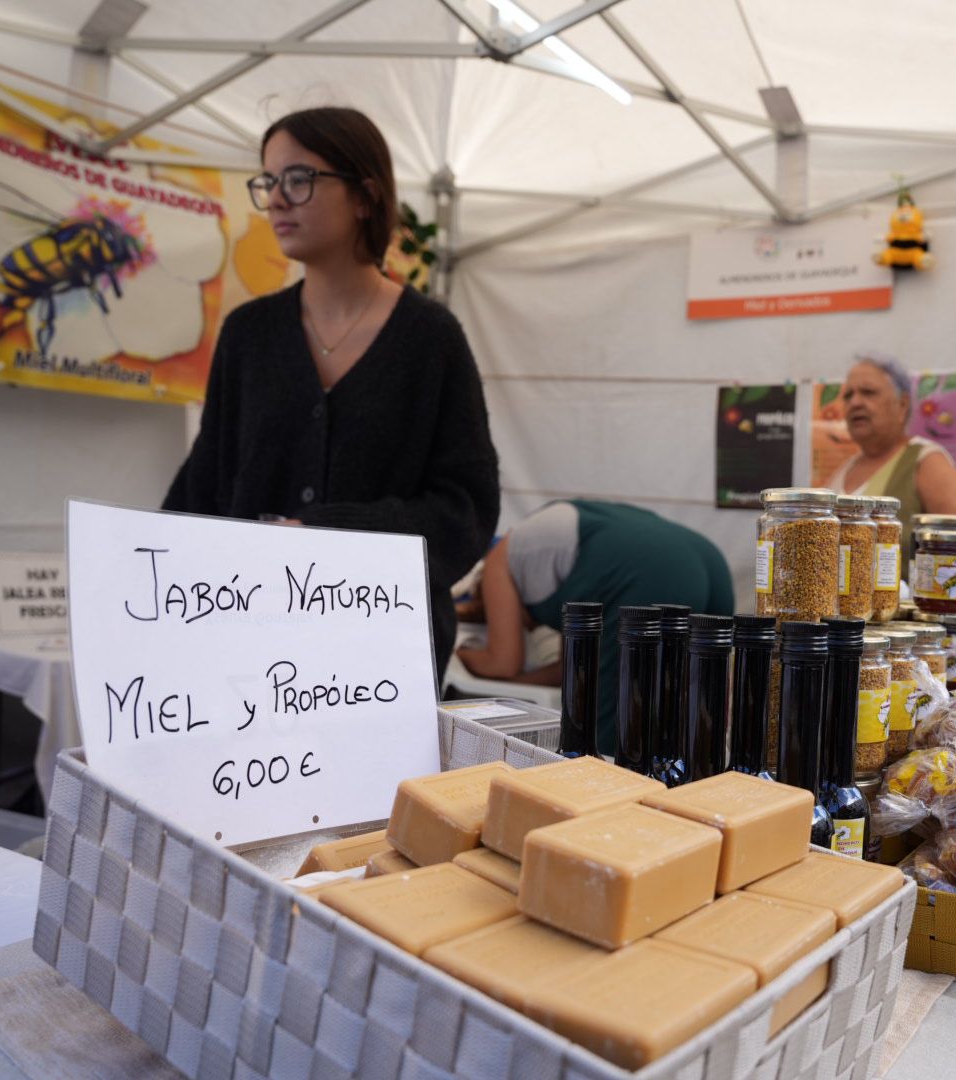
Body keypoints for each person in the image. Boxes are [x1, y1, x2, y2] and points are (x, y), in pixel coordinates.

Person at [164, 107, 499, 667]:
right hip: (249, 645)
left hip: (382, 658)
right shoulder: (248, 334)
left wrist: (322, 533)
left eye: (298, 179)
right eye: (268, 181)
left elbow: (463, 511)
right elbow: (203, 489)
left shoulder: (431, 339)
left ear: (365, 194)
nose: (275, 199)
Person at [454, 500, 733, 753]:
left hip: (650, 570)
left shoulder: (495, 564)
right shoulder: (559, 555)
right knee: (699, 707)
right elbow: (568, 671)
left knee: (610, 726)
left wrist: (459, 653)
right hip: (707, 558)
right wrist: (516, 683)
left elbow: (502, 663)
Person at [824, 353, 956, 546]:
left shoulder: (926, 462)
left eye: (868, 392)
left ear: (902, 405)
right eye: (848, 395)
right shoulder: (845, 469)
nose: (855, 402)